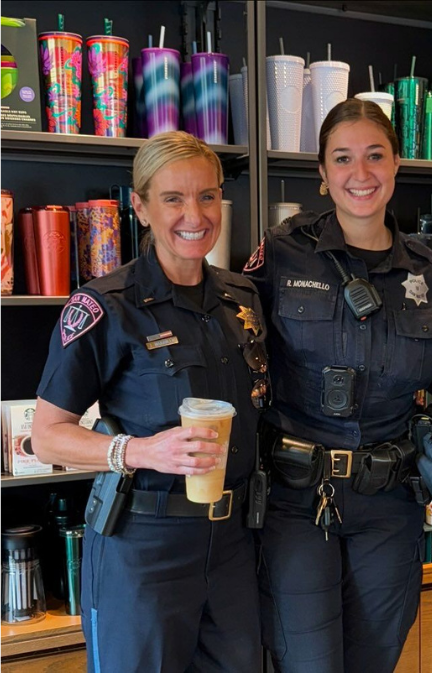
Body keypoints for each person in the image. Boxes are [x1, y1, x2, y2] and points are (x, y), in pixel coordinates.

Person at [32, 131, 268, 673]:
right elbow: (46, 436)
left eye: (207, 196)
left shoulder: (242, 300)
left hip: (233, 542)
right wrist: (141, 451)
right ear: (139, 206)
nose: (195, 214)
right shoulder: (105, 307)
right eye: (173, 198)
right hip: (145, 545)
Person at [243, 98, 432, 672]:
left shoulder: (428, 270)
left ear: (397, 163)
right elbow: (228, 346)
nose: (360, 174)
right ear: (322, 174)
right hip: (297, 500)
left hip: (390, 504)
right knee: (308, 662)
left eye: (374, 156)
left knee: (375, 662)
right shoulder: (280, 254)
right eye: (342, 158)